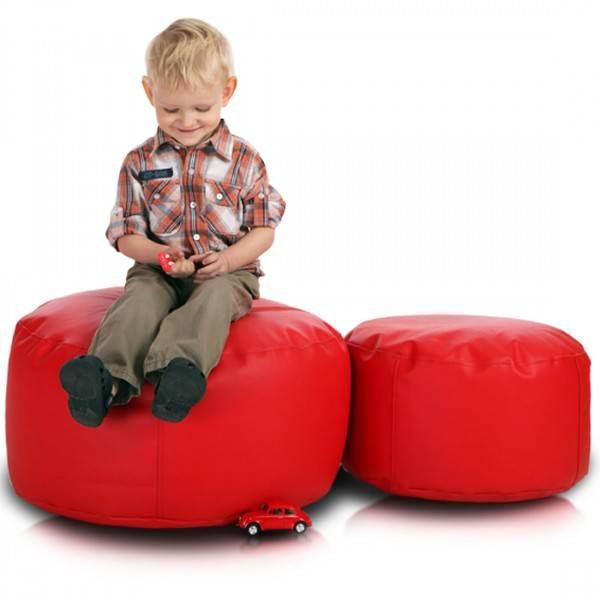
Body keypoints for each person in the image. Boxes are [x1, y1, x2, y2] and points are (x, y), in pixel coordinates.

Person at [59, 18, 286, 427]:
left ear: (227, 91)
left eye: (201, 108)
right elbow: (126, 233)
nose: (186, 121)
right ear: (150, 93)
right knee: (139, 302)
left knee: (213, 300)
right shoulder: (139, 161)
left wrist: (229, 260)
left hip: (228, 273)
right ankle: (103, 379)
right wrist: (159, 254)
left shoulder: (245, 160)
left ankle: (176, 375)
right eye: (170, 109)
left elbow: (264, 229)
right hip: (157, 269)